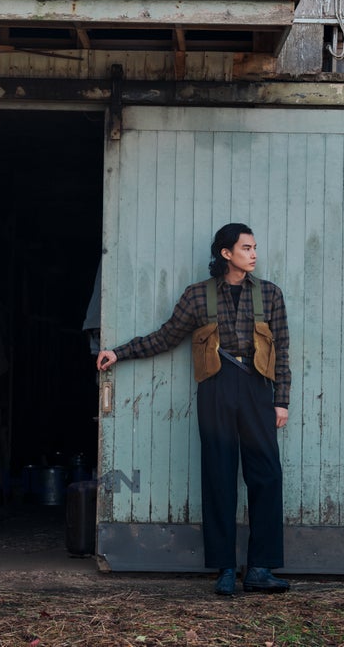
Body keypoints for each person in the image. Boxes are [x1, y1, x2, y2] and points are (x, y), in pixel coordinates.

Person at [97, 223, 291, 595]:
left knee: (267, 476)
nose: (254, 254)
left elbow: (281, 349)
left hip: (257, 388)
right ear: (226, 254)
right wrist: (119, 352)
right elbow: (166, 336)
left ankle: (260, 568)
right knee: (218, 476)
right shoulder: (198, 296)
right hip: (216, 387)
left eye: (254, 247)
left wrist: (281, 400)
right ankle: (225, 568)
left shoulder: (270, 294)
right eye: (246, 248)